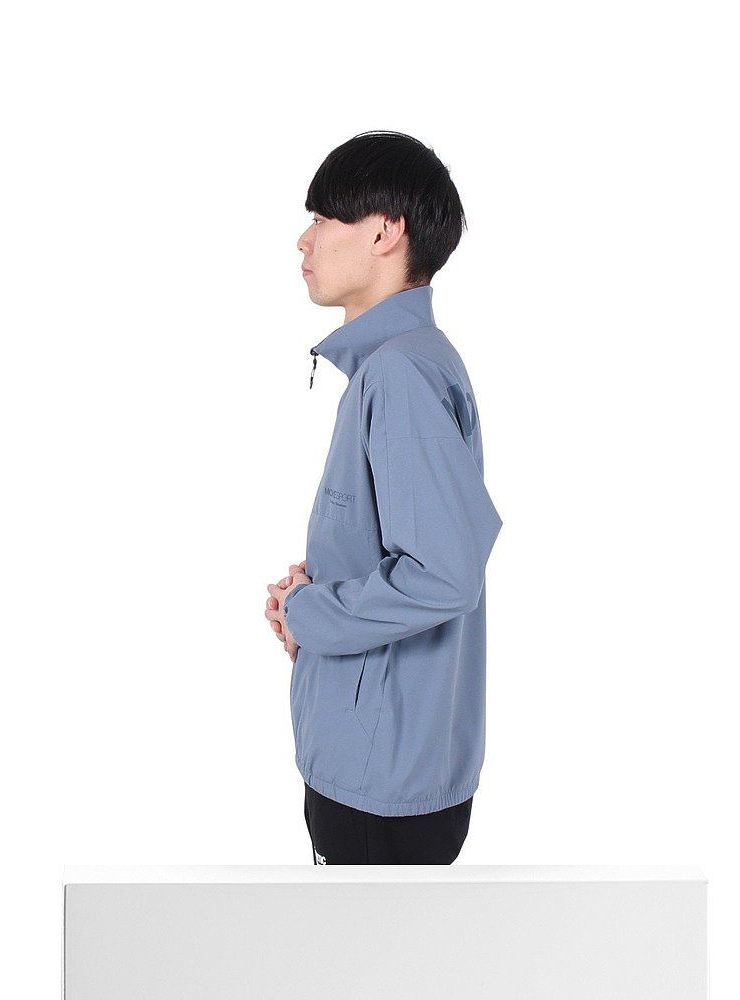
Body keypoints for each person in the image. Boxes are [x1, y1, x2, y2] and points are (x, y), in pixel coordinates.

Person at [264, 131, 503, 864]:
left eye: (323, 218)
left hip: (380, 784)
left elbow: (443, 575)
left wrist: (309, 612)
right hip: (387, 764)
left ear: (384, 232)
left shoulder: (400, 374)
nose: (304, 240)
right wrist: (314, 596)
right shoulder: (401, 366)